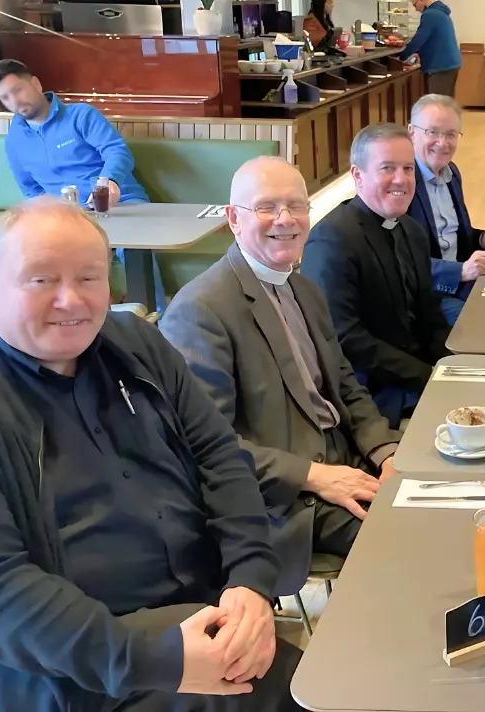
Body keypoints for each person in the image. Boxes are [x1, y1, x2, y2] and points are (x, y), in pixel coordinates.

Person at [0, 197, 302, 711]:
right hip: (74, 672)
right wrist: (158, 660)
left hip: (207, 612)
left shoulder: (135, 342)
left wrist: (250, 581)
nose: (71, 300)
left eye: (89, 278)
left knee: (326, 688)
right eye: (41, 280)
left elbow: (219, 456)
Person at [161, 157, 403, 566]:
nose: (286, 219)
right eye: (267, 207)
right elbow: (202, 445)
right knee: (410, 542)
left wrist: (385, 451)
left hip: (348, 459)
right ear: (233, 219)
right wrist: (314, 475)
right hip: (286, 499)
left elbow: (344, 384)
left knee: (448, 503)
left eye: (297, 205)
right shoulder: (199, 310)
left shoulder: (303, 288)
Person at [302, 123, 451, 429]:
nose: (401, 179)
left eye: (408, 169)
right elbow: (345, 338)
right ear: (357, 175)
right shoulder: (332, 239)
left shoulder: (411, 230)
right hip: (371, 394)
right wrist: (428, 376)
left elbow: (430, 314)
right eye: (387, 168)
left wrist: (453, 367)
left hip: (417, 377)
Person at [0, 59, 166, 309]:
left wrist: (108, 180)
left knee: (132, 248)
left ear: (35, 84)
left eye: (17, 90)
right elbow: (30, 189)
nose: (14, 102)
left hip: (119, 205)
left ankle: (160, 325)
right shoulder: (14, 139)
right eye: (5, 98)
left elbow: (117, 151)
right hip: (66, 215)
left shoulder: (81, 115)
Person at [406, 94, 485, 324]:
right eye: (433, 132)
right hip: (428, 294)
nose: (442, 143)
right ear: (411, 132)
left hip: (463, 282)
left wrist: (483, 238)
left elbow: (450, 234)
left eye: (450, 134)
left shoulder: (451, 172)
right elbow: (399, 260)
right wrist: (459, 272)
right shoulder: (402, 184)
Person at [399, 0, 462, 97]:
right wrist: (418, 52)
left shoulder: (429, 15)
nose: (415, 9)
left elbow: (418, 39)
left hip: (440, 65)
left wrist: (401, 57)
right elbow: (432, 38)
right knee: (445, 102)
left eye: (414, 5)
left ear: (421, 1)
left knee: (437, 104)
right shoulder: (440, 12)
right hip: (449, 63)